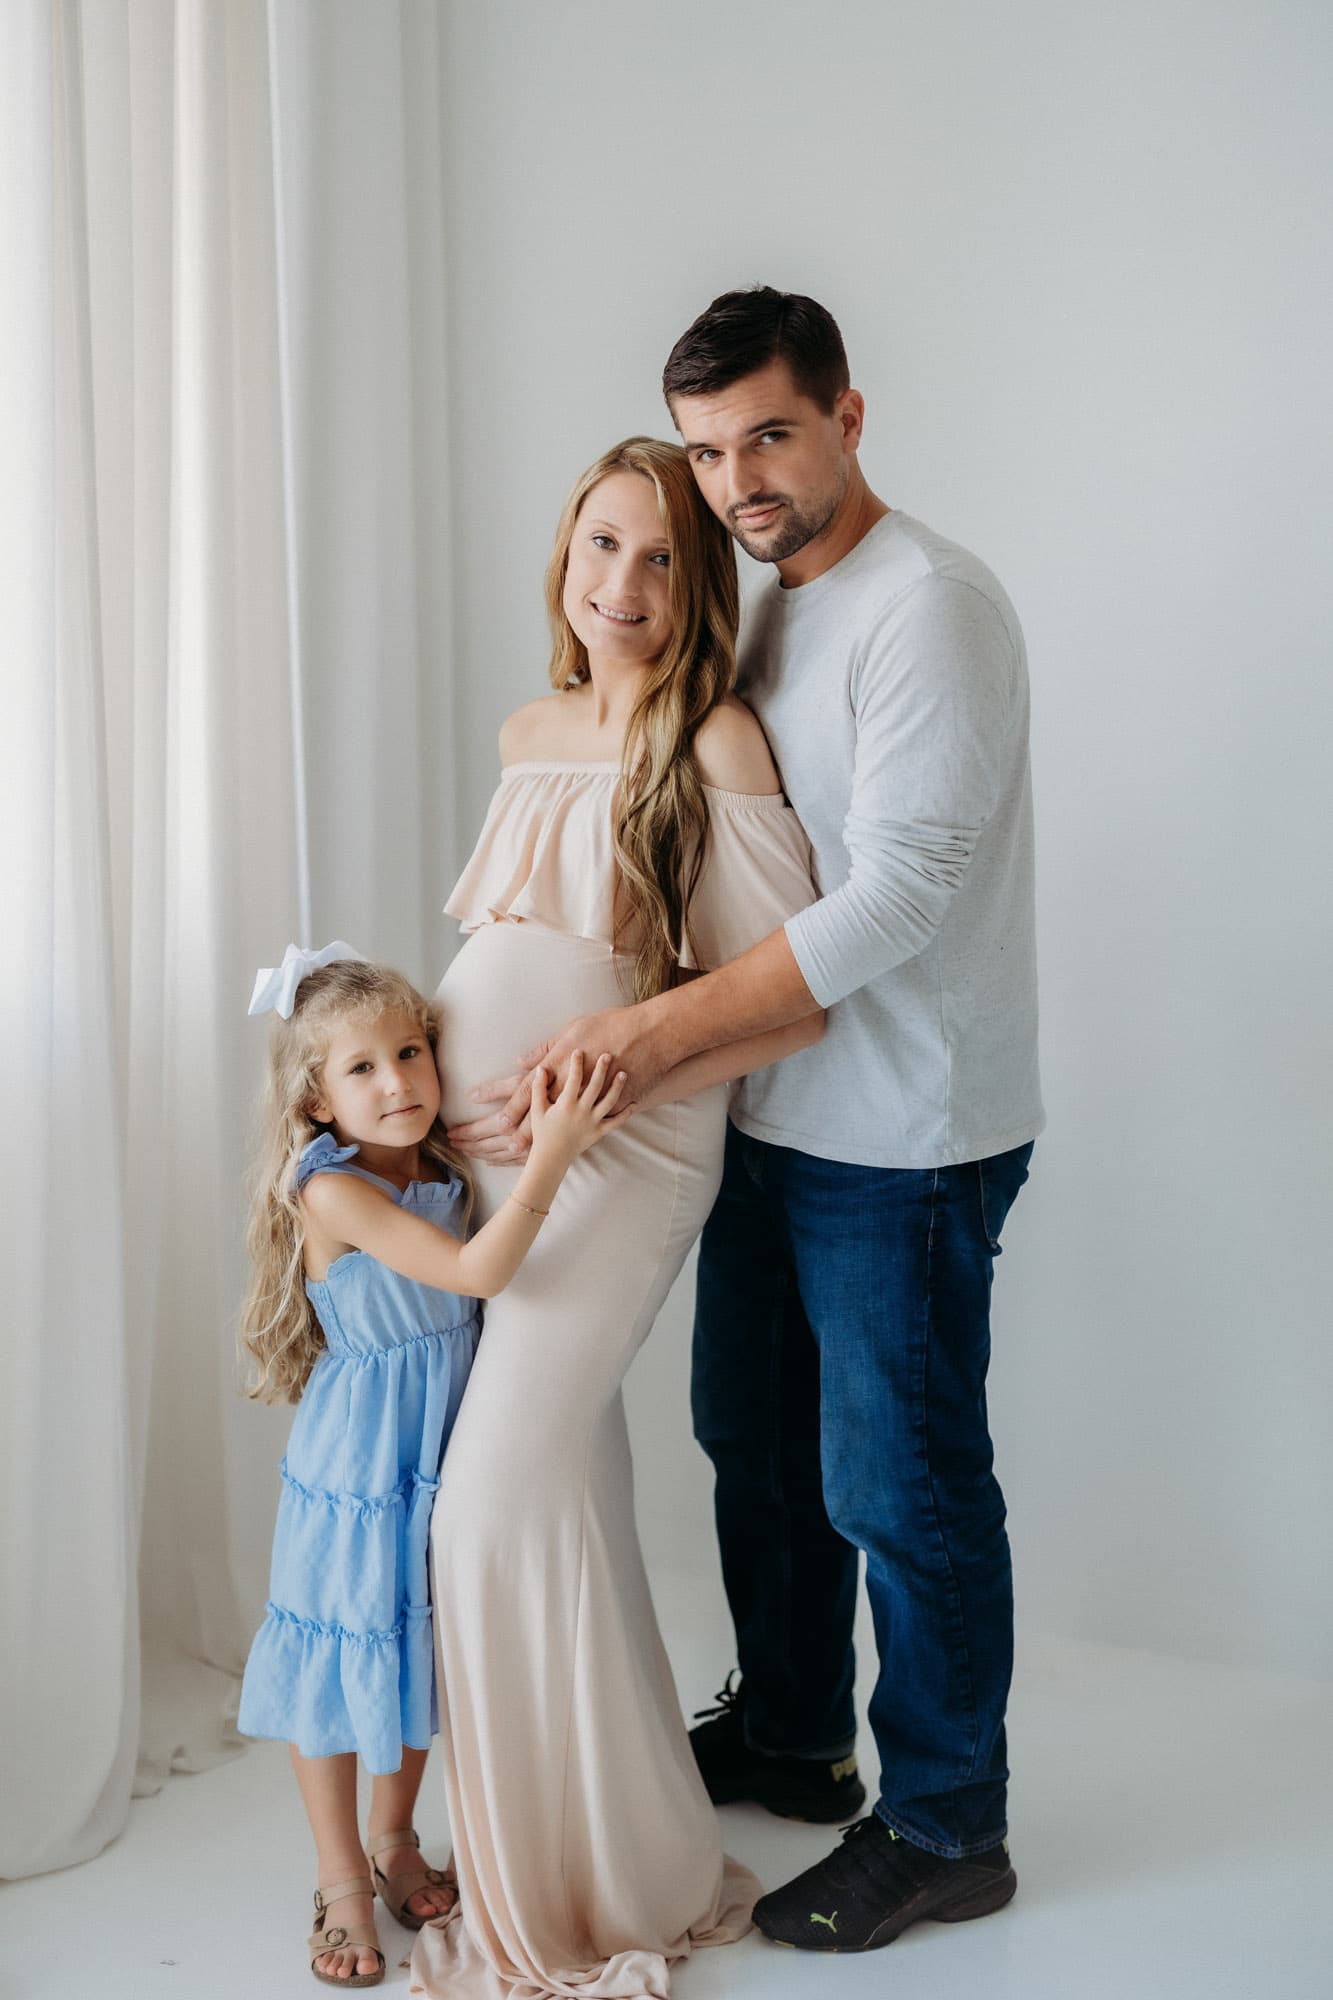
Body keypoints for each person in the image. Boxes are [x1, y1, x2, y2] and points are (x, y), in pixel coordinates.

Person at [470, 288, 1044, 1956]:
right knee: (755, 1443)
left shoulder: (922, 607)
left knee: (898, 1481)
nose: (734, 482)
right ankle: (794, 1736)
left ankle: (944, 1823)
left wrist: (635, 1035)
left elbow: (899, 898)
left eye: (768, 436)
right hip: (769, 1118)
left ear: (847, 417)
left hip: (907, 1131)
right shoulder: (768, 601)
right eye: (710, 449)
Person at [408, 436, 823, 2000]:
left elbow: (791, 1012)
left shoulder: (713, 742)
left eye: (660, 557)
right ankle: (627, 1851)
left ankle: (544, 1901)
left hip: (617, 1169)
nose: (624, 586)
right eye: (601, 547)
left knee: (485, 1510)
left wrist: (607, 1098)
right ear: (562, 558)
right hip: (486, 1169)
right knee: (568, 1493)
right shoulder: (532, 729)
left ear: (698, 578)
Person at [237, 945, 628, 1988]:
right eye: (360, 1069)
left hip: (443, 1441)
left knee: (414, 1646)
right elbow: (473, 1269)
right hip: (365, 1461)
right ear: (316, 1101)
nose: (397, 1081)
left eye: (409, 1050)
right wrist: (556, 1150)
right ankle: (341, 1880)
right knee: (340, 1657)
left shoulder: (441, 1169)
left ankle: (395, 1833)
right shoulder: (332, 1192)